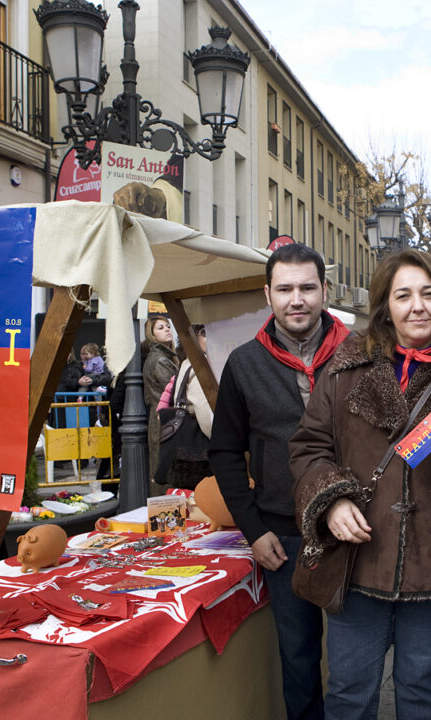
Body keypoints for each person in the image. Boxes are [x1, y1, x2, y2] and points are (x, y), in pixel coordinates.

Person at [290, 248, 431, 719]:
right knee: (349, 691)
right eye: (403, 295)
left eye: (429, 294)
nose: (417, 306)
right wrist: (332, 501)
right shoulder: (344, 370)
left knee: (424, 689)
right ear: (385, 305)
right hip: (360, 559)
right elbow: (308, 447)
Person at [209, 243, 349, 720]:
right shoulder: (244, 364)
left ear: (325, 291)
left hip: (356, 531)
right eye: (285, 289)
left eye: (308, 288)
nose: (297, 300)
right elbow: (225, 452)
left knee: (355, 662)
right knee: (299, 660)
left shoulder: (359, 355)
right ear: (267, 294)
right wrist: (253, 528)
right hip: (283, 537)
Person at [154, 325, 213, 490]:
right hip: (200, 455)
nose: (212, 337)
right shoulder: (199, 367)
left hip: (187, 458)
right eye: (205, 333)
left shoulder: (189, 363)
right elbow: (207, 418)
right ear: (193, 337)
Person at [142, 316, 182, 483]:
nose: (167, 329)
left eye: (167, 326)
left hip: (162, 418)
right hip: (163, 418)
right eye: (160, 328)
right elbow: (176, 389)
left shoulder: (163, 357)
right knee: (164, 470)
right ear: (151, 335)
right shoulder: (160, 360)